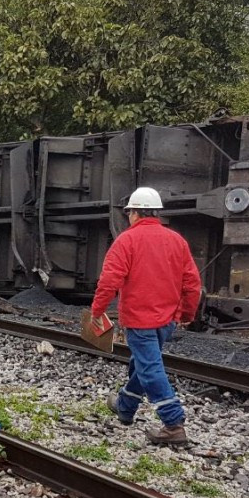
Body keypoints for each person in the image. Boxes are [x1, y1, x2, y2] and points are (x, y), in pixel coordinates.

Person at [95, 187, 201, 445]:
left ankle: (173, 423)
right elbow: (192, 282)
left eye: (129, 211)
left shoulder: (126, 241)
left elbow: (109, 280)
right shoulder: (177, 240)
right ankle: (125, 406)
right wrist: (187, 312)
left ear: (134, 213)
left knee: (150, 368)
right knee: (142, 364)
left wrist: (97, 311)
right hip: (167, 320)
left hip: (139, 319)